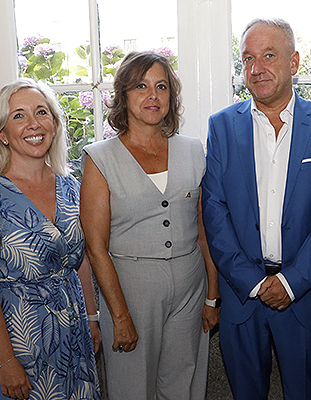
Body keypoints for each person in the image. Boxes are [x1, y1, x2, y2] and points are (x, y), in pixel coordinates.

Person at [202, 18, 311, 400]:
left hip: (306, 296)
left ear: (294, 62)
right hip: (242, 296)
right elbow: (215, 210)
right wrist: (252, 281)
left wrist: (290, 283)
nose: (257, 68)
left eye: (269, 55)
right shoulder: (221, 127)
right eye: (248, 58)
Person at [80, 51, 220, 400]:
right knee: (132, 388)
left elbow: (204, 231)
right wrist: (120, 315)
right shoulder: (100, 158)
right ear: (124, 96)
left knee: (184, 384)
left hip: (190, 289)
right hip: (130, 291)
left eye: (161, 86)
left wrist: (212, 296)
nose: (152, 96)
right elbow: (96, 247)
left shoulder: (193, 151)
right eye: (141, 86)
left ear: (172, 96)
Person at [0, 78, 101, 400]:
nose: (33, 123)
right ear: (2, 134)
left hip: (75, 338)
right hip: (20, 345)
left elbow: (82, 262)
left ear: (55, 123)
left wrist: (92, 319)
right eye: (18, 115)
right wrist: (7, 362)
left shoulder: (72, 188)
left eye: (41, 112)